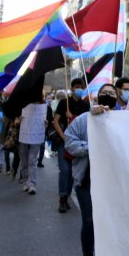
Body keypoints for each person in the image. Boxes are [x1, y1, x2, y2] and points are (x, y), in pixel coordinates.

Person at [65, 83, 120, 256]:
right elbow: (69, 142)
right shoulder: (83, 119)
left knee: (112, 222)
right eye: (104, 92)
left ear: (116, 98)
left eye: (111, 93)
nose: (108, 95)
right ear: (97, 97)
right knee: (89, 221)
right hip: (87, 179)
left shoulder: (124, 119)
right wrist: (92, 147)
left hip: (115, 181)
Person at [53, 78, 90, 213]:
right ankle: (62, 198)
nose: (79, 88)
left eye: (81, 86)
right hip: (63, 142)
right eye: (77, 86)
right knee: (64, 170)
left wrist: (72, 116)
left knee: (72, 172)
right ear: (72, 88)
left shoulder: (85, 105)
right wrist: (64, 137)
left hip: (78, 144)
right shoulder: (64, 102)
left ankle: (67, 195)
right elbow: (55, 121)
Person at [17, 99, 47, 195]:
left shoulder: (44, 107)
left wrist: (45, 124)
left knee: (32, 159)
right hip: (24, 135)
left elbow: (47, 121)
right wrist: (18, 120)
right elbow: (15, 120)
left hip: (36, 136)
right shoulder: (22, 106)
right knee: (24, 160)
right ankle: (26, 181)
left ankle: (32, 184)